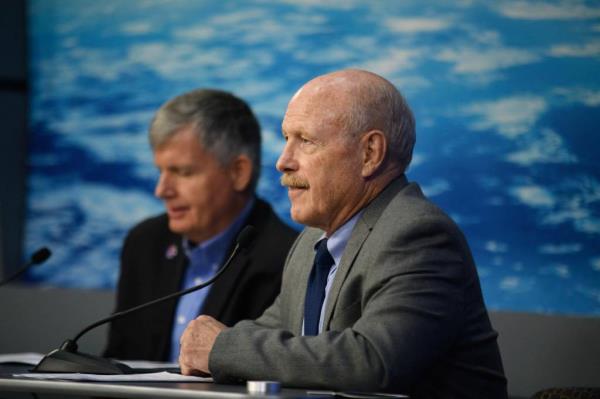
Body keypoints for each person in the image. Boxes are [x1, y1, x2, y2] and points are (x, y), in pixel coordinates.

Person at [178, 70, 508, 398]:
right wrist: (220, 346)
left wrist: (222, 347)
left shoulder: (419, 235)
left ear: (370, 154)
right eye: (285, 139)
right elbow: (269, 334)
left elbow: (372, 361)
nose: (283, 161)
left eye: (305, 141)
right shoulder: (311, 241)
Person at [104, 89, 297, 362]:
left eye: (183, 172)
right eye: (161, 172)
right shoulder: (144, 243)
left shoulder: (286, 259)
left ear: (238, 172)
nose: (162, 190)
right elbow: (117, 360)